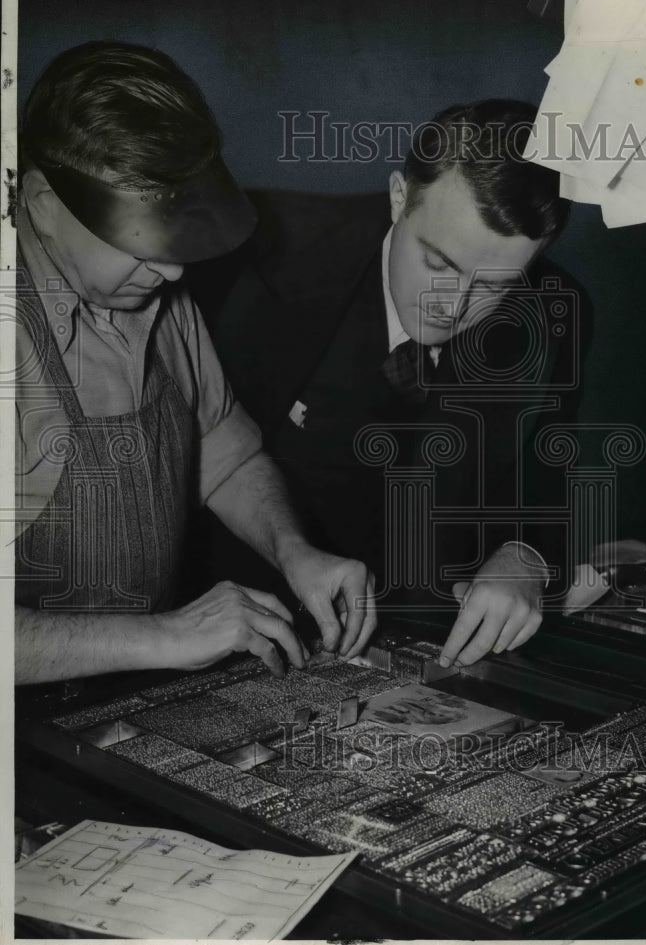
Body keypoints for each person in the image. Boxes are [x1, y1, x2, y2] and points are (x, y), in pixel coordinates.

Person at [14, 41, 376, 686]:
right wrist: (167, 633)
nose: (174, 268)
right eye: (138, 240)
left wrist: (295, 552)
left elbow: (223, 451)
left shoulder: (156, 294)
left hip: (129, 689)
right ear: (44, 204)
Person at [207, 100, 581, 671]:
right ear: (399, 196)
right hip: (246, 634)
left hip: (437, 647)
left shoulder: (555, 315)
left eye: (495, 288)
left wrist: (525, 556)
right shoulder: (253, 256)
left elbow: (549, 472)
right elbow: (199, 459)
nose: (452, 307)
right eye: (438, 263)